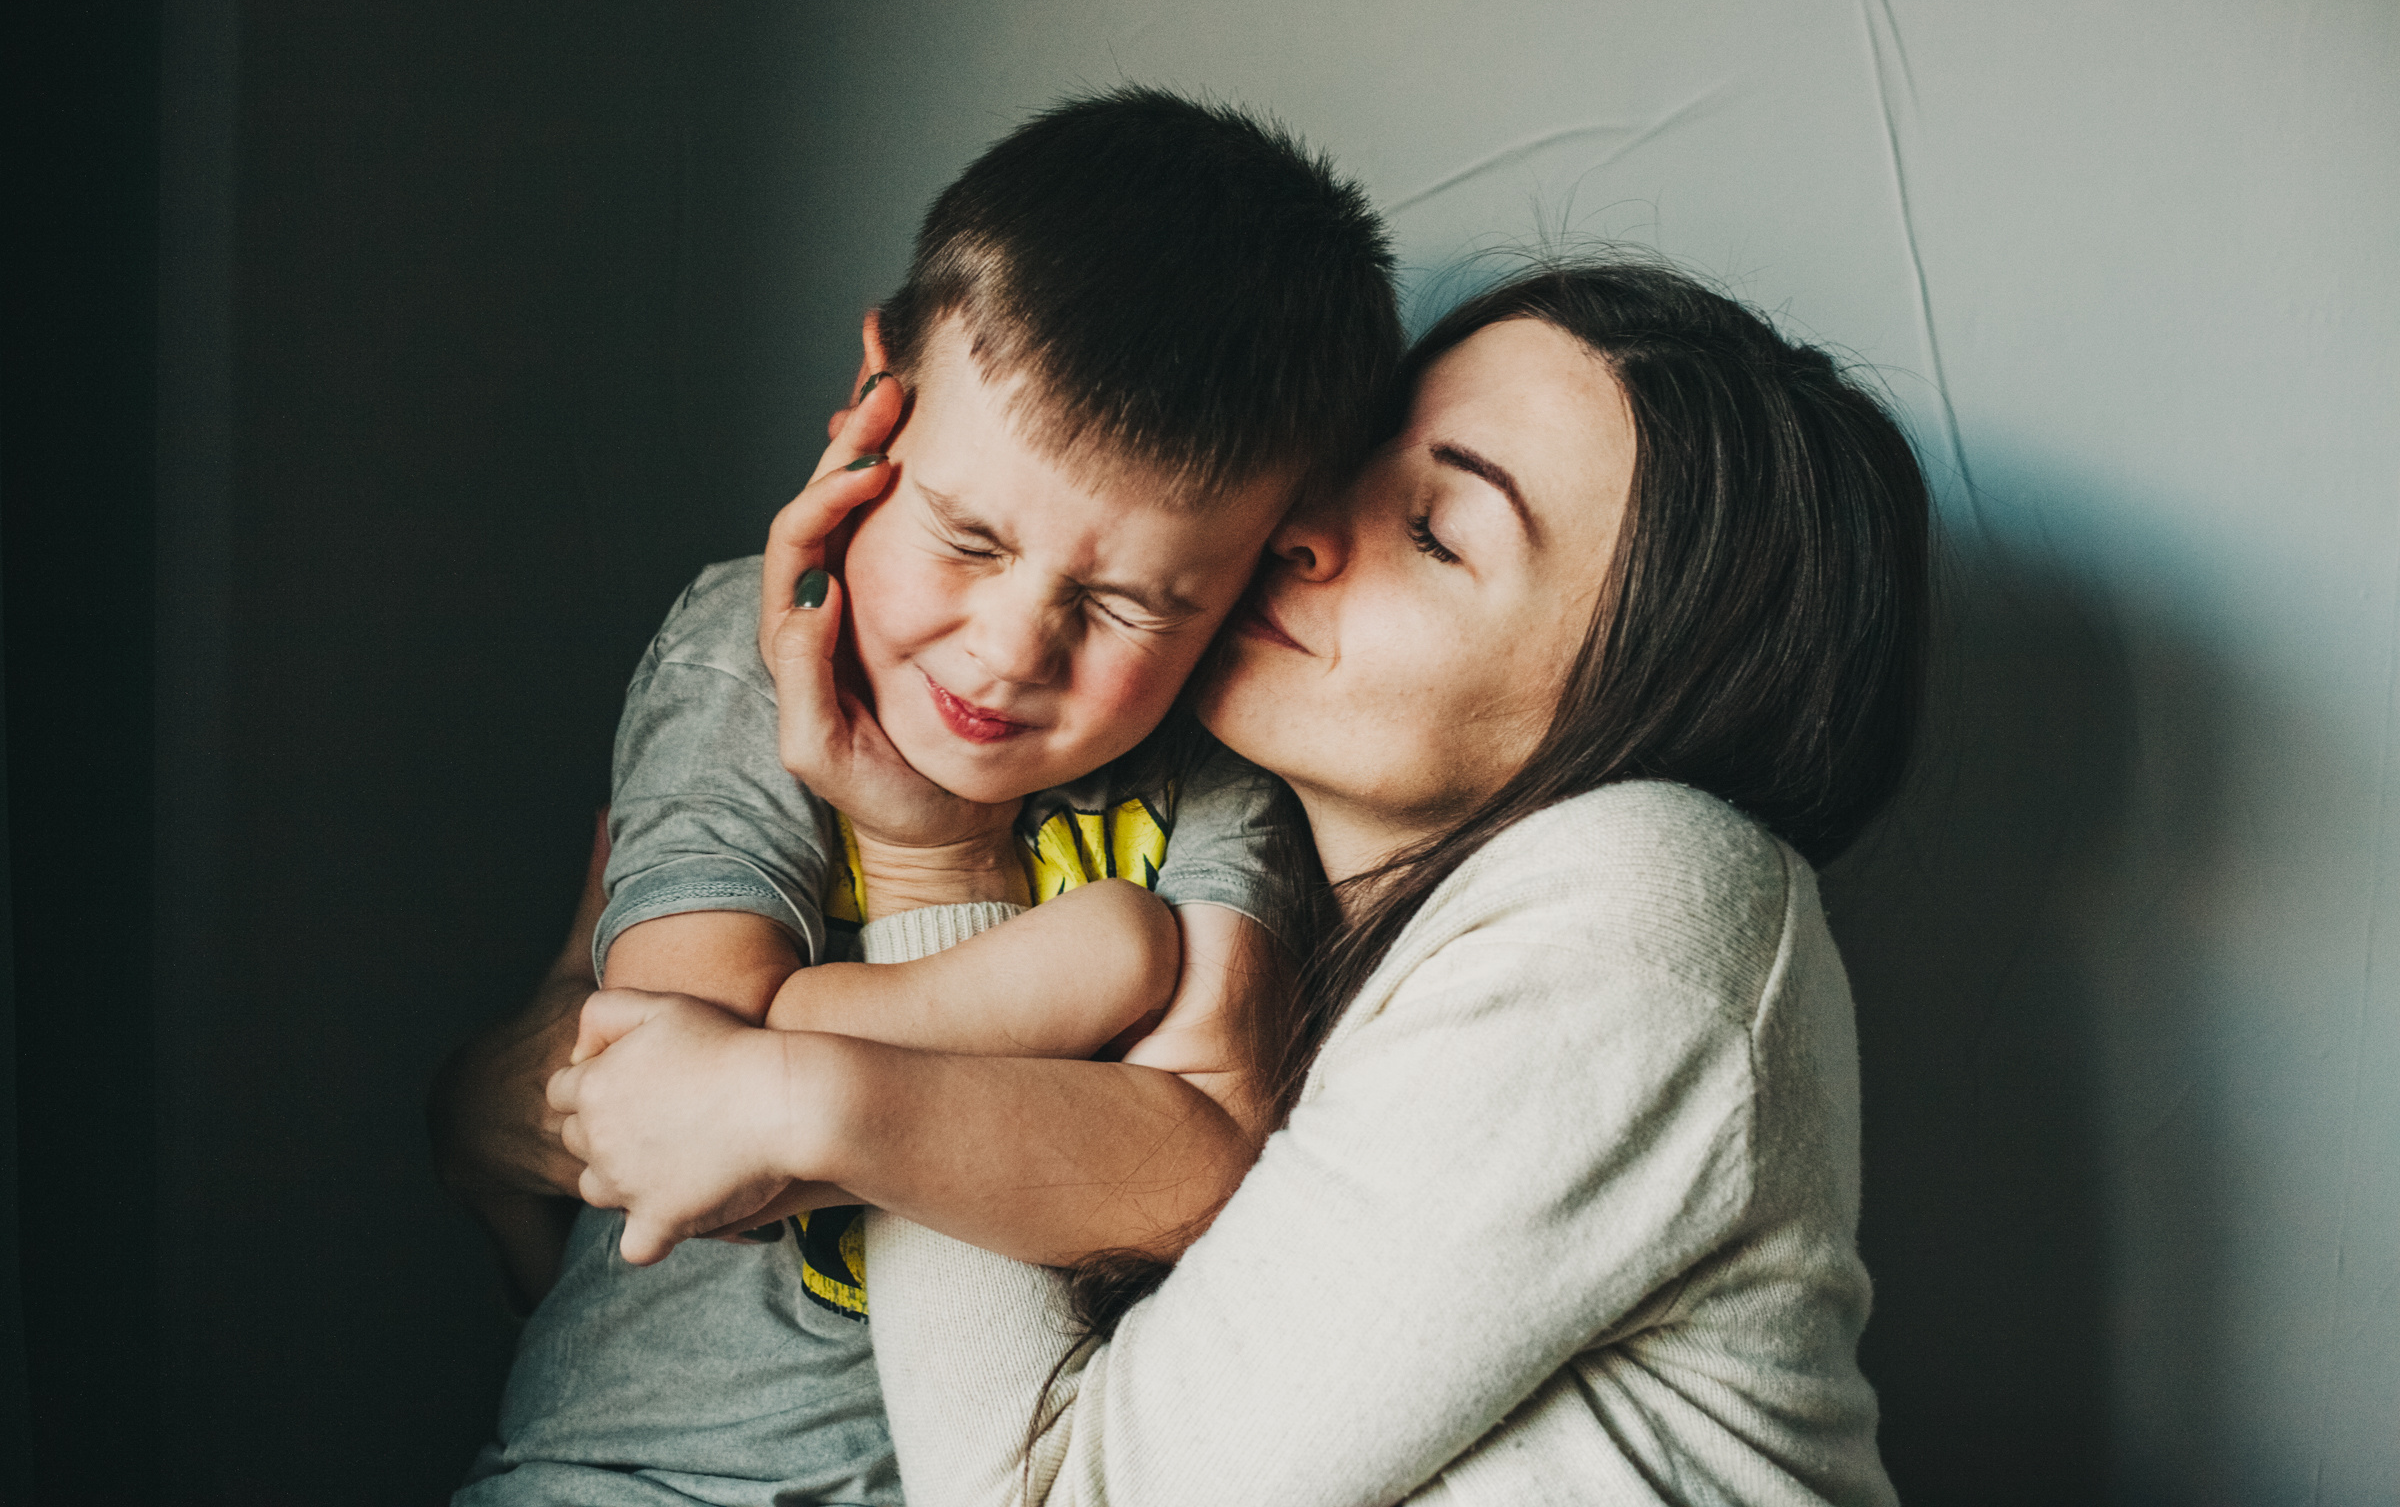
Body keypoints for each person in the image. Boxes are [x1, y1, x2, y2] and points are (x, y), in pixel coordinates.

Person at [550, 259, 1926, 1505]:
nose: (1300, 525)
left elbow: (1047, 1497)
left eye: (1440, 530)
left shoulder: (1650, 892)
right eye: (1350, 456)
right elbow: (581, 1097)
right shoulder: (1286, 921)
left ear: (1637, 700)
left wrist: (924, 880)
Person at [434, 88, 1403, 1504]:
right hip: (634, 1471)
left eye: (1133, 601)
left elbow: (1195, 1169)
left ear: (1260, 562)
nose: (1011, 650)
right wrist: (1092, 971)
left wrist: (792, 1069)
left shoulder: (1221, 760)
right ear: (878, 396)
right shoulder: (757, 646)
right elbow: (666, 1065)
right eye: (965, 537)